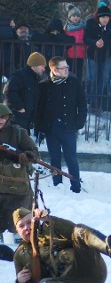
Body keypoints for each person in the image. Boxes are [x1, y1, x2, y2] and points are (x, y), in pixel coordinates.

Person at [12, 207, 111, 283]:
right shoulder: (20, 255)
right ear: (17, 231)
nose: (27, 228)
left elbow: (73, 230)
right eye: (21, 226)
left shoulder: (50, 227)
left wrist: (48, 219)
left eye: (29, 222)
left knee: (79, 230)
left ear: (35, 221)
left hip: (90, 268)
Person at [35, 57, 87, 193]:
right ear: (54, 69)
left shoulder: (74, 83)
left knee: (71, 158)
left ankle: (76, 186)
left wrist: (79, 122)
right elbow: (40, 108)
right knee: (55, 157)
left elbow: (82, 103)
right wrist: (40, 127)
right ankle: (57, 184)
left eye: (67, 67)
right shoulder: (44, 86)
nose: (66, 70)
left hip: (69, 126)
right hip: (51, 128)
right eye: (63, 68)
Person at [0, 104, 38, 234]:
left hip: (17, 187)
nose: (0, 120)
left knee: (18, 223)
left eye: (3, 117)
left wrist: (26, 156)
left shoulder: (19, 133)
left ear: (8, 118)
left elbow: (33, 152)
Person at [3, 51, 46, 130]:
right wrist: (19, 108)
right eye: (42, 66)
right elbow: (9, 92)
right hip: (15, 119)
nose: (44, 69)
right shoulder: (19, 76)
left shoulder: (35, 79)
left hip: (26, 121)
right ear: (34, 65)